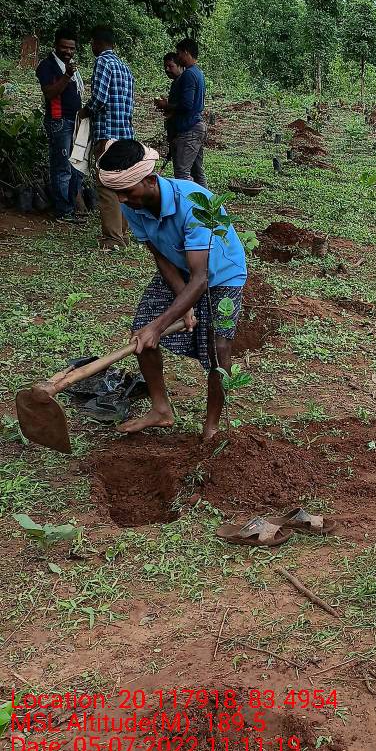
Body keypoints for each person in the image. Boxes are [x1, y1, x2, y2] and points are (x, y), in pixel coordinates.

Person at [97, 139, 247, 441]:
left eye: (127, 191)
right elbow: (160, 256)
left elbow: (201, 278)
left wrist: (160, 325)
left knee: (218, 349)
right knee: (141, 333)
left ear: (151, 180)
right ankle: (161, 409)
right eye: (117, 193)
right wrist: (181, 304)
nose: (122, 200)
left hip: (222, 275)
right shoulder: (133, 205)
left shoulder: (194, 204)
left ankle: (212, 426)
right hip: (179, 268)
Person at [77, 26, 135, 250]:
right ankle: (123, 234)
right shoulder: (124, 67)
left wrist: (84, 111)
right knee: (123, 184)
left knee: (106, 184)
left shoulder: (103, 62)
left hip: (107, 135)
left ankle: (112, 239)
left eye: (92, 43)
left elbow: (99, 99)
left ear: (96, 42)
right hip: (126, 135)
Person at [35, 27, 84, 223]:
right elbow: (49, 93)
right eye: (64, 47)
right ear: (56, 45)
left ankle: (70, 207)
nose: (68, 52)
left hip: (74, 121)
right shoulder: (47, 66)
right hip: (59, 121)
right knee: (62, 167)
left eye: (71, 48)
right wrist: (66, 76)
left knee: (75, 167)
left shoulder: (68, 65)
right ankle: (63, 211)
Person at [162, 37, 207, 186]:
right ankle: (208, 201)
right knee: (197, 173)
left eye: (179, 53)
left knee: (182, 173)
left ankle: (186, 200)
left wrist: (167, 105)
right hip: (196, 126)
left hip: (189, 129)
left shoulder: (188, 74)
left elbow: (187, 104)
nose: (178, 56)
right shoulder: (198, 73)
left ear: (186, 52)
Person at [154, 52, 183, 161]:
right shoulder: (175, 82)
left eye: (171, 66)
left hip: (182, 131)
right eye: (165, 67)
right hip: (175, 130)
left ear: (179, 65)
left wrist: (166, 105)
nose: (167, 69)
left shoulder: (183, 81)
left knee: (181, 167)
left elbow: (185, 105)